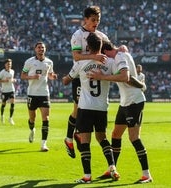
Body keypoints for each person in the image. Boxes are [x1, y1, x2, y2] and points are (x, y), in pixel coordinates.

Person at [64, 5, 127, 159]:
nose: (96, 22)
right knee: (78, 108)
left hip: (97, 74)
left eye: (98, 20)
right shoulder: (77, 35)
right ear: (85, 20)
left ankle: (77, 135)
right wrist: (93, 57)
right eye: (93, 20)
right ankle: (69, 138)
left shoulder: (101, 35)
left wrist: (120, 49)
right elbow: (76, 57)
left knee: (87, 108)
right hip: (81, 75)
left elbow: (111, 49)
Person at [88, 40, 153, 184]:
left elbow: (125, 77)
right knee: (116, 134)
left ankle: (146, 174)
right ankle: (112, 168)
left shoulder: (120, 57)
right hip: (125, 102)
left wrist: (102, 77)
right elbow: (129, 78)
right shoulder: (122, 53)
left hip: (134, 102)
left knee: (134, 138)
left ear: (105, 51)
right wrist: (141, 85)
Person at [62, 33, 120, 184]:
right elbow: (120, 75)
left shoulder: (82, 63)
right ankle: (112, 167)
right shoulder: (110, 62)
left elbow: (66, 81)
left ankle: (87, 176)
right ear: (101, 45)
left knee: (85, 141)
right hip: (102, 107)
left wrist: (66, 77)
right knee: (102, 138)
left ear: (88, 46)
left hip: (85, 107)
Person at [21, 41, 58, 152]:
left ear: (45, 49)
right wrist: (32, 77)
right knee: (32, 118)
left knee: (46, 118)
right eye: (39, 47)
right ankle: (32, 129)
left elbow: (50, 75)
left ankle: (43, 144)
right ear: (35, 49)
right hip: (32, 93)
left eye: (42, 47)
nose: (41, 49)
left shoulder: (49, 62)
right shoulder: (29, 62)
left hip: (44, 93)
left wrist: (53, 76)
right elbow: (23, 76)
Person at [0, 59, 16, 125]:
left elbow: (12, 79)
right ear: (5, 65)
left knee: (13, 102)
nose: (9, 65)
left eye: (10, 64)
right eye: (8, 64)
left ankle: (10, 118)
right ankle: (2, 116)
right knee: (3, 104)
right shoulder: (2, 72)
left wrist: (13, 80)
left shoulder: (12, 71)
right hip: (4, 91)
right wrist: (4, 81)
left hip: (11, 89)